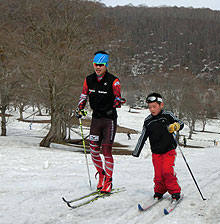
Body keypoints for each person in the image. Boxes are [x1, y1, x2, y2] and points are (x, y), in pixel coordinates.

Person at [75, 51, 123, 193]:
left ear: (106, 65)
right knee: (94, 150)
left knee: (106, 150)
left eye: (101, 65)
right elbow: (84, 94)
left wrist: (117, 102)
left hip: (109, 120)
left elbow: (118, 98)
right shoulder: (88, 79)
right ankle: (101, 174)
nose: (98, 67)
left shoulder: (114, 81)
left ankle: (109, 179)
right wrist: (80, 108)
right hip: (96, 119)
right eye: (96, 64)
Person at [132, 93, 184, 201]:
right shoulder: (148, 121)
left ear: (161, 105)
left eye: (154, 106)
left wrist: (175, 126)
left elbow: (180, 122)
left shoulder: (167, 115)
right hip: (156, 152)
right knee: (159, 175)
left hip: (169, 150)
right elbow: (143, 136)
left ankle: (175, 191)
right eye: (150, 107)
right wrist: (136, 151)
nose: (152, 109)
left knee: (167, 171)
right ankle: (159, 191)